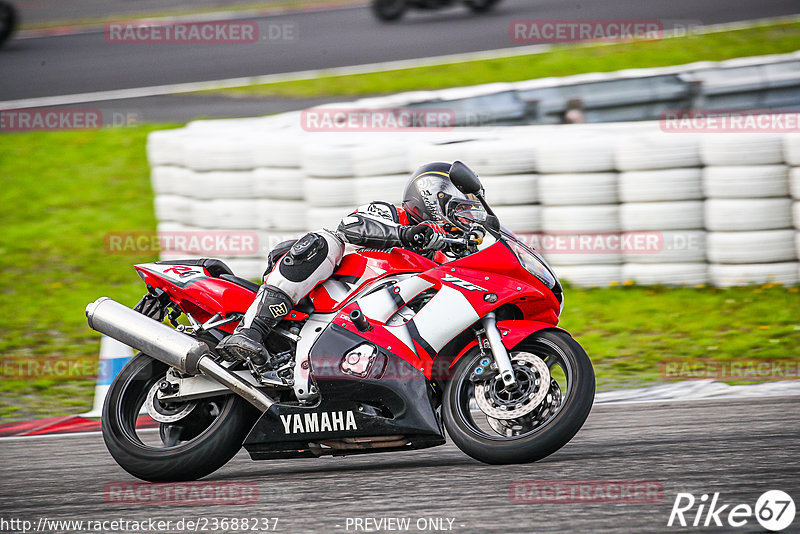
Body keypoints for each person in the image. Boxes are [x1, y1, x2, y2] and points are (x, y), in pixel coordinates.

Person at [215, 161, 485, 367]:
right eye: (460, 211)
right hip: (323, 296)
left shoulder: (440, 258)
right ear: (433, 200)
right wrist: (405, 235)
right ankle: (251, 330)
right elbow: (351, 226)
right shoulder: (391, 214)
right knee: (326, 241)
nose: (465, 222)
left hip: (368, 327)